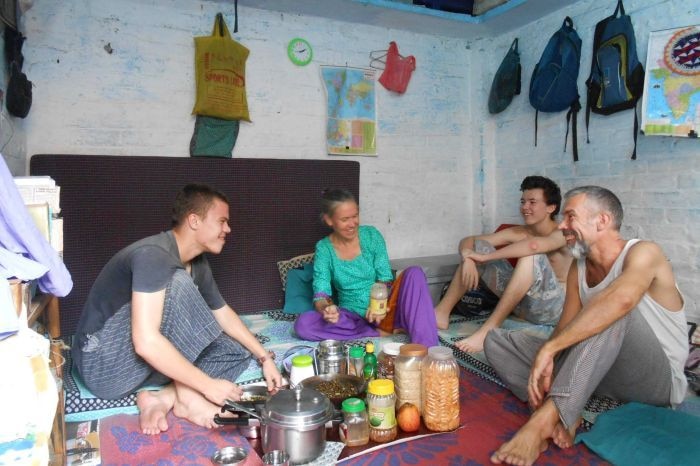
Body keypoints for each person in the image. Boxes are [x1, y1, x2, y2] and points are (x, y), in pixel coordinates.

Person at [485, 186, 688, 466]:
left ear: (602, 221)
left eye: (570, 217)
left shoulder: (644, 252)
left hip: (655, 382)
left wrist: (551, 350)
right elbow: (564, 330)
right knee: (497, 341)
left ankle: (545, 419)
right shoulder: (578, 268)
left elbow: (622, 301)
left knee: (612, 313)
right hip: (601, 368)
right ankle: (569, 402)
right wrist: (548, 353)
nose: (562, 226)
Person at [72, 183, 282, 435]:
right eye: (222, 221)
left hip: (139, 368)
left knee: (234, 351)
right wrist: (207, 386)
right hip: (104, 367)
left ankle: (164, 397)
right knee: (178, 281)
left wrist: (264, 357)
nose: (228, 229)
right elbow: (146, 342)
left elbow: (222, 312)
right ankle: (188, 398)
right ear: (194, 220)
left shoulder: (197, 262)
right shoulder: (154, 255)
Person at [435, 175, 572, 353]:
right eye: (523, 201)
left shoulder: (562, 233)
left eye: (532, 202)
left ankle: (487, 330)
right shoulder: (519, 231)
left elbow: (534, 246)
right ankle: (441, 313)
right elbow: (469, 240)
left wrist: (484, 258)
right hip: (523, 305)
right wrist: (469, 257)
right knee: (479, 248)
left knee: (530, 256)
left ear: (551, 208)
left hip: (552, 309)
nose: (525, 207)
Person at [293, 189, 438, 347]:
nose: (352, 224)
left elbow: (385, 278)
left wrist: (378, 304)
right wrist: (327, 309)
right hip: (353, 318)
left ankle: (427, 348)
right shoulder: (324, 248)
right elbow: (321, 294)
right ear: (329, 220)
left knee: (414, 273)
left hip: (386, 308)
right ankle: (380, 331)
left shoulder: (371, 236)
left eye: (355, 216)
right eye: (345, 219)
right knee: (303, 324)